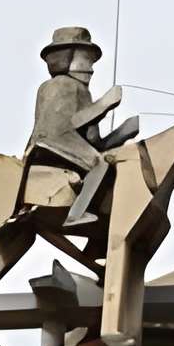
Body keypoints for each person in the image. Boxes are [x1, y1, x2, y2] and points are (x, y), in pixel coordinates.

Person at [24, 25, 133, 234]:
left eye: (91, 63)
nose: (90, 69)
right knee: (97, 163)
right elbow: (68, 123)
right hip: (52, 139)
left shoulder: (83, 92)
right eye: (86, 61)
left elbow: (92, 141)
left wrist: (123, 132)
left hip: (67, 140)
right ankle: (76, 215)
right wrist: (104, 104)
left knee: (104, 160)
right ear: (65, 58)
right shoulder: (60, 85)